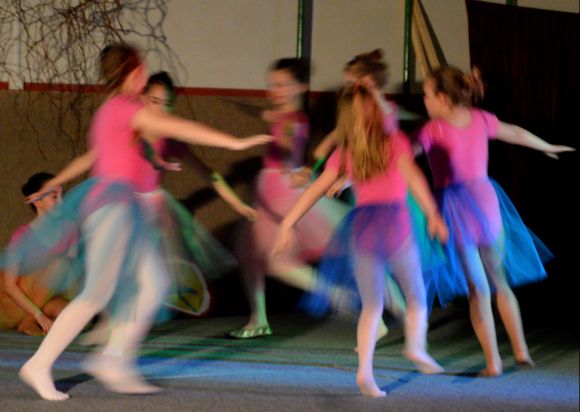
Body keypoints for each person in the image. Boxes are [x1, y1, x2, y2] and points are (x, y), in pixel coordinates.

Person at [2, 42, 271, 401]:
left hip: (124, 208)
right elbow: (177, 126)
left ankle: (114, 359)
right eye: (141, 68)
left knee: (155, 284)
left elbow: (106, 155)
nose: (144, 74)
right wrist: (235, 143)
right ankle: (40, 364)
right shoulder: (125, 108)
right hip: (113, 207)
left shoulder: (112, 111)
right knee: (97, 293)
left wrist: (152, 163)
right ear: (132, 72)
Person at [273, 84, 447, 397]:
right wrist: (432, 213)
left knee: (372, 305)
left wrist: (287, 223)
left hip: (364, 226)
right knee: (416, 294)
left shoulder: (347, 151)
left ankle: (365, 372)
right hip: (394, 223)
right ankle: (416, 346)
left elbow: (314, 190)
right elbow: (414, 178)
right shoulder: (394, 141)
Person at [417, 65, 574, 376]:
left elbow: (400, 157)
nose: (424, 100)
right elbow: (514, 132)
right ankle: (521, 350)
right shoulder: (480, 119)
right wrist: (545, 146)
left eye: (426, 94)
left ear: (443, 98)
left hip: (455, 209)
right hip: (485, 203)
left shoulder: (432, 130)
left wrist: (357, 174)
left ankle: (494, 362)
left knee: (478, 289)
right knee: (499, 281)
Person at [229, 58, 350, 339]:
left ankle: (335, 294)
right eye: (273, 85)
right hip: (267, 191)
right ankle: (258, 318)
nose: (276, 90)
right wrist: (263, 116)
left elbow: (289, 140)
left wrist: (283, 146)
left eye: (283, 85)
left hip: (280, 191)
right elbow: (275, 122)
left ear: (301, 87)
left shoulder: (295, 120)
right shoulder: (283, 116)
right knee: (249, 256)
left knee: (278, 262)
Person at [1, 173, 68, 336]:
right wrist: (37, 315)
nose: (62, 202)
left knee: (75, 317)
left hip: (41, 301)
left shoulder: (65, 233)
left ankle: (36, 318)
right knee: (59, 264)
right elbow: (9, 285)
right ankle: (29, 321)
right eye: (54, 197)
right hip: (13, 304)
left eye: (62, 196)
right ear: (38, 202)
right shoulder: (23, 236)